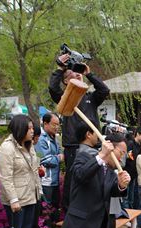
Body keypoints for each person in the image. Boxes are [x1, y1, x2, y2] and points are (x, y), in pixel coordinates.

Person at [48, 53, 109, 209]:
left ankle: (91, 208)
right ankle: (69, 211)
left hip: (93, 145)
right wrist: (60, 69)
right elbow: (53, 88)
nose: (77, 74)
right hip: (74, 146)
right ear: (66, 81)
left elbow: (104, 90)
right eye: (71, 74)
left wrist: (89, 74)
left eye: (79, 73)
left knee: (94, 176)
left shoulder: (91, 98)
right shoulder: (65, 97)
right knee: (73, 179)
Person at [0, 115, 42, 228]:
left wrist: (39, 191)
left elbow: (33, 171)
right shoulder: (7, 148)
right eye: (29, 128)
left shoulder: (29, 146)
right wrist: (13, 199)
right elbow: (5, 177)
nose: (32, 132)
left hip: (30, 196)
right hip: (16, 200)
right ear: (20, 128)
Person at [35, 112, 63, 228]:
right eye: (54, 124)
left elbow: (60, 151)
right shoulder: (41, 139)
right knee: (46, 206)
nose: (56, 127)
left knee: (54, 204)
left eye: (58, 125)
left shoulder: (54, 138)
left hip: (54, 178)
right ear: (45, 123)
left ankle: (52, 226)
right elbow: (44, 159)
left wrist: (58, 156)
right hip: (46, 179)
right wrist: (59, 158)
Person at [123, 127, 141, 212]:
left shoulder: (140, 146)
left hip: (135, 175)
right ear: (137, 134)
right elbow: (129, 158)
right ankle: (126, 215)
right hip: (128, 173)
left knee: (132, 197)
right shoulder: (130, 144)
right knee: (126, 197)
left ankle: (131, 215)